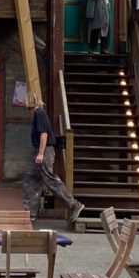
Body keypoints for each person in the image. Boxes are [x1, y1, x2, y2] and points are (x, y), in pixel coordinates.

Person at [22, 94, 85, 223]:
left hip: (44, 150)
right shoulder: (37, 114)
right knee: (30, 179)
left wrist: (41, 153)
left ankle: (73, 204)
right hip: (39, 150)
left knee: (49, 179)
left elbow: (44, 135)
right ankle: (31, 212)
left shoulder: (39, 113)